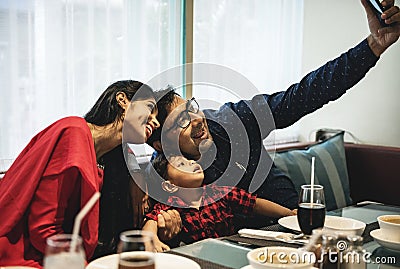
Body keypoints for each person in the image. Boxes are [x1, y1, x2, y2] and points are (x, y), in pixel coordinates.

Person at [146, 0, 400, 228]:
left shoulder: (234, 121)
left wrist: (373, 47)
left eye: (191, 109)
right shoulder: (165, 176)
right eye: (181, 122)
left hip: (294, 225)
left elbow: (306, 94)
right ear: (161, 145)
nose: (197, 121)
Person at [0, 80, 178, 267]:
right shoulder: (74, 133)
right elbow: (43, 229)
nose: (156, 123)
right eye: (150, 108)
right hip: (23, 256)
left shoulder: (105, 159)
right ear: (122, 100)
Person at [143, 154, 297, 252]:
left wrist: (289, 214)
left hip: (231, 250)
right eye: (181, 165)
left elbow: (255, 204)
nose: (191, 162)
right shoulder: (172, 204)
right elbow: (152, 220)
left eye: (189, 160)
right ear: (170, 185)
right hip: (199, 257)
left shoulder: (218, 192)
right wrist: (152, 239)